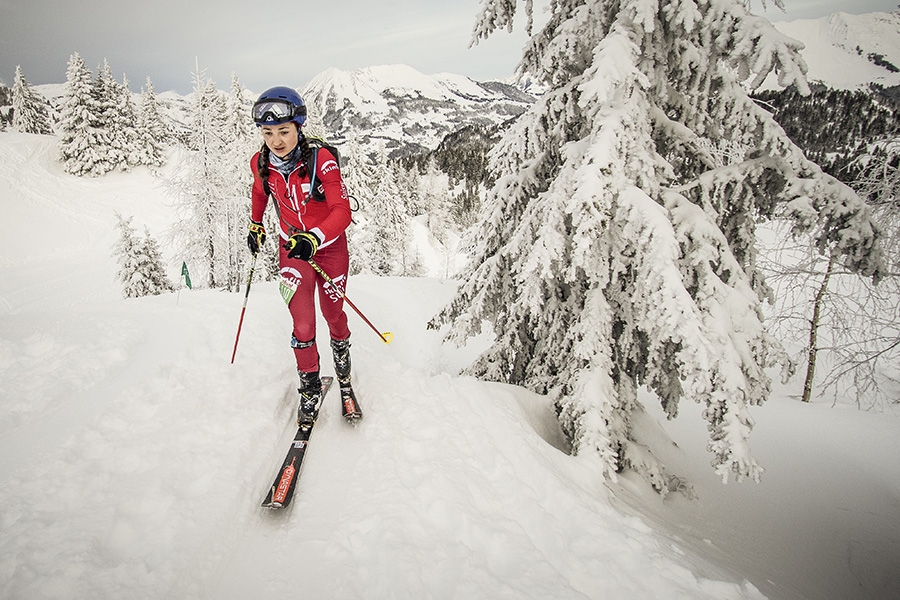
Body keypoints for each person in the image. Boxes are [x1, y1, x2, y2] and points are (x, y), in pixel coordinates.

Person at [247, 86, 353, 426]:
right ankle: (309, 389)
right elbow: (259, 190)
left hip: (329, 248)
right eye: (268, 133)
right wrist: (255, 224)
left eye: (283, 132)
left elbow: (342, 210)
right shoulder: (261, 161)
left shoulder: (320, 159)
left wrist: (316, 236)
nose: (276, 141)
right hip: (292, 249)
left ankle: (342, 366)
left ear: (298, 128)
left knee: (333, 314)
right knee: (303, 324)